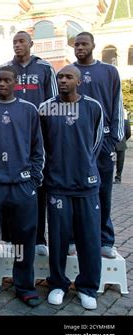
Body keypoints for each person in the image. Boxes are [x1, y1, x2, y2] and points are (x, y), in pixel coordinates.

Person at [0, 66, 44, 308]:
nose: (2, 84)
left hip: (22, 185)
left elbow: (38, 148)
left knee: (24, 239)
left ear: (16, 83)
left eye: (6, 80)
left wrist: (34, 180)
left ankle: (24, 285)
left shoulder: (29, 110)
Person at [41, 65, 104, 310]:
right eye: (60, 77)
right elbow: (42, 143)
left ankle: (88, 287)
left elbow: (96, 144)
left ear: (79, 81)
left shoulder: (92, 107)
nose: (63, 80)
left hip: (86, 185)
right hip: (57, 184)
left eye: (69, 77)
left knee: (89, 237)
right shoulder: (46, 109)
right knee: (57, 237)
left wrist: (84, 165)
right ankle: (57, 283)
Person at [0, 31, 58, 256]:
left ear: (31, 43)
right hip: (10, 133)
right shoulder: (3, 68)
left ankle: (38, 237)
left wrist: (50, 135)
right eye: (14, 41)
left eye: (22, 41)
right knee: (6, 184)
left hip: (36, 132)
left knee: (37, 185)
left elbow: (54, 103)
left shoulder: (45, 68)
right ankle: (7, 236)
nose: (18, 45)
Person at [73, 32, 125, 259]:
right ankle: (74, 239)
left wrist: (114, 140)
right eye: (76, 45)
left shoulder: (109, 71)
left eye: (84, 44)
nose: (80, 48)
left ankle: (106, 240)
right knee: (74, 191)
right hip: (76, 143)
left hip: (103, 143)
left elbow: (117, 106)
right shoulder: (68, 73)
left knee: (103, 191)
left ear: (93, 45)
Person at [114, 116, 131, 184]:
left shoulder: (125, 122)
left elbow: (128, 133)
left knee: (119, 162)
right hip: (118, 144)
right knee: (120, 162)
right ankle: (118, 177)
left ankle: (118, 177)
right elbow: (128, 134)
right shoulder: (125, 121)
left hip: (118, 145)